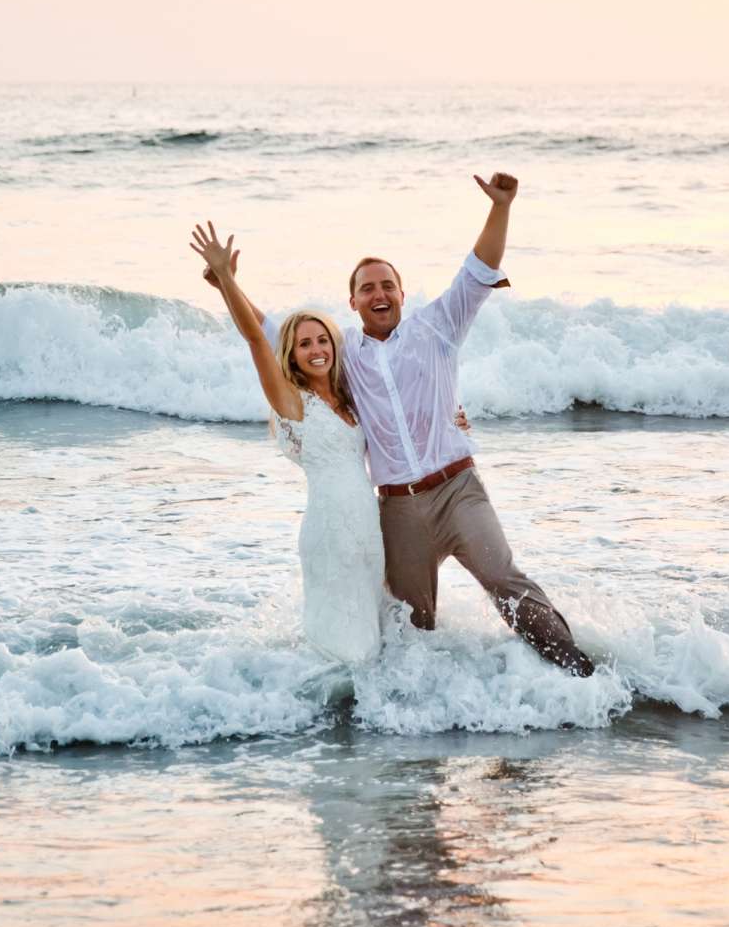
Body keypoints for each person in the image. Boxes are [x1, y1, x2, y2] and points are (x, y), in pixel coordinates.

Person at [207, 174, 596, 677]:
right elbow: (272, 336)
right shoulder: (342, 354)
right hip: (397, 510)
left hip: (459, 490)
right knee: (414, 625)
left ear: (403, 293)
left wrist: (501, 207)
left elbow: (478, 271)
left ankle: (580, 676)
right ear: (353, 303)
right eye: (367, 288)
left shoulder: (438, 326)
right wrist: (228, 284)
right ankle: (423, 722)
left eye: (387, 284)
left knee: (505, 579)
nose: (378, 293)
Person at [190, 222, 384, 666]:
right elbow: (258, 337)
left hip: (368, 530)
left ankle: (366, 727)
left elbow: (270, 326)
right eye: (303, 344)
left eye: (322, 340)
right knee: (344, 652)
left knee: (372, 637)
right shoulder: (292, 401)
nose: (316, 349)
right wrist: (226, 281)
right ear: (291, 355)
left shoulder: (347, 396)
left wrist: (452, 415)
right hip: (330, 532)